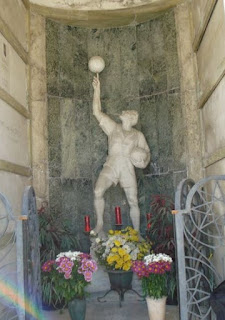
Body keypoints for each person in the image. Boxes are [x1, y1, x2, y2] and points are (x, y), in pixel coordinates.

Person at [92, 75, 150, 235]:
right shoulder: (113, 127)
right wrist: (97, 90)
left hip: (127, 168)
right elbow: (97, 112)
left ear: (131, 119)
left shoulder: (138, 135)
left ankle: (136, 232)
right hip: (111, 164)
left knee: (133, 201)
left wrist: (141, 160)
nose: (122, 113)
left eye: (126, 113)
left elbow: (146, 154)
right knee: (98, 191)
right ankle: (100, 224)